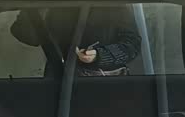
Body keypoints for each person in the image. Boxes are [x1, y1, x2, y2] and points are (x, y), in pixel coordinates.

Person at [11, 7, 142, 76]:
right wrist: (35, 8)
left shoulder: (111, 2)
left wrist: (99, 55)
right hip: (59, 79)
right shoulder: (52, 1)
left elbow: (132, 45)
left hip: (105, 83)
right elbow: (28, 37)